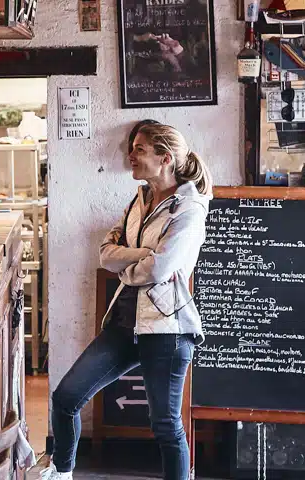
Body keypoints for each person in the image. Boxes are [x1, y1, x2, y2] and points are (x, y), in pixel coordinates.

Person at [41, 121, 213, 480]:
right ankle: (61, 472)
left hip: (166, 327)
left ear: (165, 158)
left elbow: (160, 268)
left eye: (139, 149)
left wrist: (129, 265)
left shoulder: (190, 209)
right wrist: (142, 255)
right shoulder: (140, 198)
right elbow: (105, 253)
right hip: (123, 322)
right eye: (131, 148)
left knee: (166, 426)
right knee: (66, 397)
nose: (129, 155)